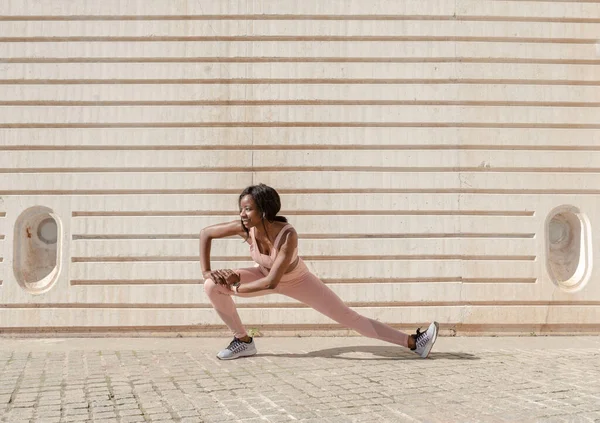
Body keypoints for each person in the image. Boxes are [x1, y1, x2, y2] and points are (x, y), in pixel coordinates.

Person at [200, 184, 439, 360]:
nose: (242, 215)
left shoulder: (288, 235)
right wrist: (207, 272)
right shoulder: (245, 228)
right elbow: (206, 234)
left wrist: (234, 288)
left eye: (248, 209)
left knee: (348, 317)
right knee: (211, 286)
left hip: (297, 280)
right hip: (261, 274)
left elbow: (273, 283)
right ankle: (243, 341)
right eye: (241, 209)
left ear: (264, 210)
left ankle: (414, 342)